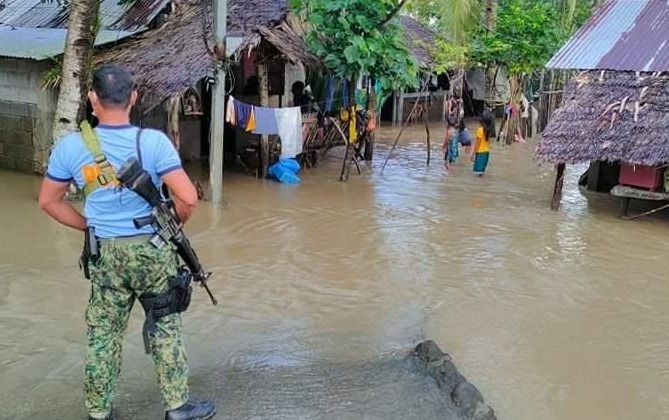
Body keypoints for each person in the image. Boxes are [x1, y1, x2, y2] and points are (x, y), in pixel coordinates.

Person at [38, 65, 215, 420]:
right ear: (134, 98)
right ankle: (177, 408)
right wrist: (171, 226)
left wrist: (90, 226)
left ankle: (99, 412)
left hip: (104, 253)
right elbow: (189, 199)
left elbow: (49, 202)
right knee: (165, 325)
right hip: (152, 250)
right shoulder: (152, 142)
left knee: (103, 335)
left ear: (92, 99)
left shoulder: (71, 146)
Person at [472, 111, 494, 176]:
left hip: (480, 153)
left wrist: (473, 154)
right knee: (481, 173)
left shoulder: (480, 130)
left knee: (477, 173)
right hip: (486, 152)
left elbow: (477, 144)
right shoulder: (489, 130)